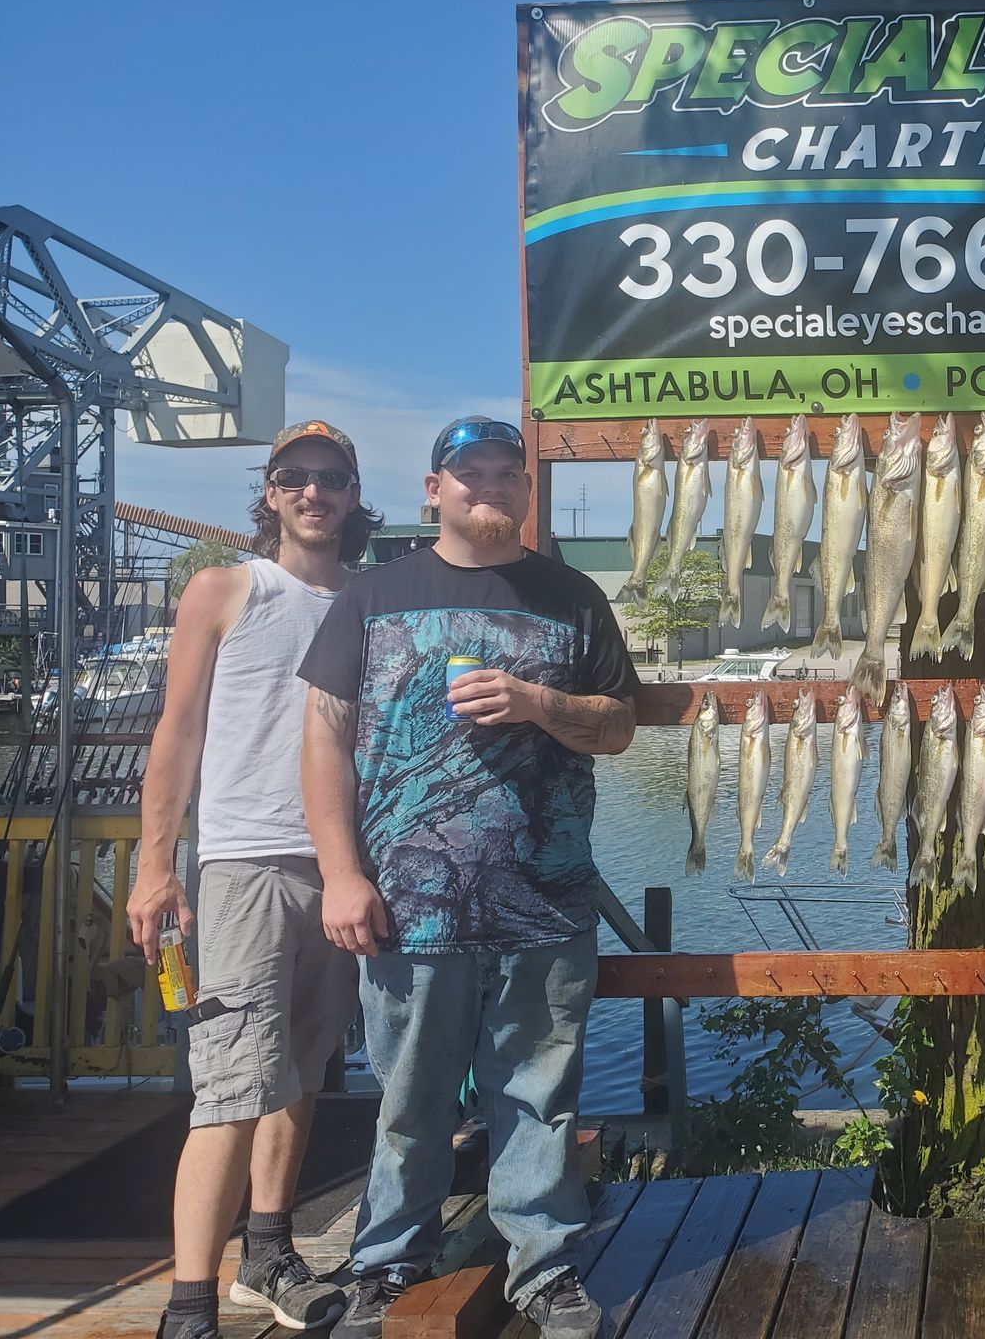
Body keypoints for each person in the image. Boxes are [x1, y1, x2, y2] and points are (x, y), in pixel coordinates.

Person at [300, 416, 638, 1339]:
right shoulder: (370, 598)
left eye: (506, 473)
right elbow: (323, 741)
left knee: (539, 1094)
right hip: (409, 909)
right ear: (433, 490)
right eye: (470, 473)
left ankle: (543, 1264)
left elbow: (617, 725)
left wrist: (535, 701)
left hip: (548, 897)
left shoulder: (574, 598)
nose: (490, 486)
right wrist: (340, 874)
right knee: (408, 1099)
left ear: (527, 492)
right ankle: (386, 1259)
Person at [130, 420, 379, 1338]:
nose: (314, 492)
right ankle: (186, 1304)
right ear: (270, 493)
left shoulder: (367, 602)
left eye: (332, 478)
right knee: (231, 1083)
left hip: (342, 870)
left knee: (303, 1070)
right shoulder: (225, 588)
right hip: (243, 865)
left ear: (355, 496)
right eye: (295, 477)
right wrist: (157, 867)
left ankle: (267, 1252)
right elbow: (178, 732)